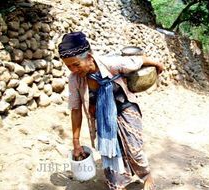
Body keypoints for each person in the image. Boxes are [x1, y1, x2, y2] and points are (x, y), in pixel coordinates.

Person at [58, 31, 163, 190]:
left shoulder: (111, 64)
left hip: (126, 110)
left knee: (134, 150)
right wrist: (76, 142)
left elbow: (137, 60)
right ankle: (118, 184)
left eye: (76, 64)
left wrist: (157, 65)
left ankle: (147, 176)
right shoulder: (75, 79)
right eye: (68, 66)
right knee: (111, 153)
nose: (73, 69)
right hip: (103, 118)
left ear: (89, 56)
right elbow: (75, 109)